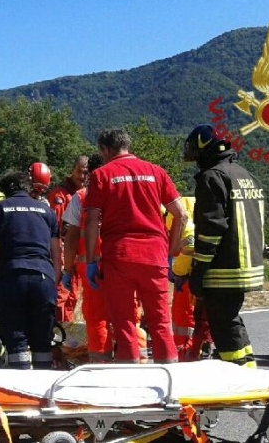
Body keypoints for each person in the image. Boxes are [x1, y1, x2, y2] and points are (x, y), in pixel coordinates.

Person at [84, 128, 187, 364]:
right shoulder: (156, 172)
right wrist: (170, 252)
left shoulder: (101, 175)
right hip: (155, 256)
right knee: (161, 322)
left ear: (105, 150)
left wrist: (91, 261)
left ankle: (129, 380)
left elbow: (91, 221)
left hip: (119, 256)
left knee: (124, 322)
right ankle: (169, 381)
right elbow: (180, 214)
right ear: (127, 146)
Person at [183, 124, 263, 368]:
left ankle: (239, 375)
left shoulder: (212, 177)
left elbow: (211, 229)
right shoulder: (245, 175)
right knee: (230, 319)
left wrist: (199, 269)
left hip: (223, 268)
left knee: (222, 324)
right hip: (247, 265)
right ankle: (248, 367)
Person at [0, 171, 61, 369]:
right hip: (43, 276)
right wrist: (55, 280)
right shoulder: (46, 211)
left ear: (6, 191)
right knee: (43, 338)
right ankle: (43, 387)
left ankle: (20, 385)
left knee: (16, 337)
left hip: (12, 276)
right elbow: (57, 252)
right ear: (29, 188)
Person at [60, 154, 113, 362]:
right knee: (127, 315)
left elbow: (71, 238)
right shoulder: (123, 193)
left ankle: (100, 365)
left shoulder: (81, 197)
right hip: (121, 264)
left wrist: (67, 268)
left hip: (91, 270)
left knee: (97, 318)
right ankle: (135, 361)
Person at [166, 196, 214, 361]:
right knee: (202, 315)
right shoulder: (195, 206)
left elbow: (189, 244)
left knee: (185, 319)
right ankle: (201, 346)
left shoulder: (173, 214)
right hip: (206, 269)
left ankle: (189, 353)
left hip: (188, 273)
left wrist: (178, 270)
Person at [48, 156, 89, 322]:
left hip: (78, 257)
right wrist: (62, 262)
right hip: (65, 257)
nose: (82, 176)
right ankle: (59, 339)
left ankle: (68, 339)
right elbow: (55, 230)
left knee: (72, 297)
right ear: (72, 170)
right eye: (79, 171)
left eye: (86, 173)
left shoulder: (85, 195)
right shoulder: (60, 196)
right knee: (61, 298)